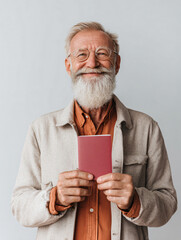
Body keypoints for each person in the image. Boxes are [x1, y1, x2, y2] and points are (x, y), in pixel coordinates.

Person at [11, 22, 177, 240]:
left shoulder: (147, 128)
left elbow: (168, 203)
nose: (92, 62)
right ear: (69, 65)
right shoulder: (41, 129)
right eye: (81, 55)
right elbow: (19, 206)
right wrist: (55, 198)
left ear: (116, 64)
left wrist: (135, 200)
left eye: (102, 53)